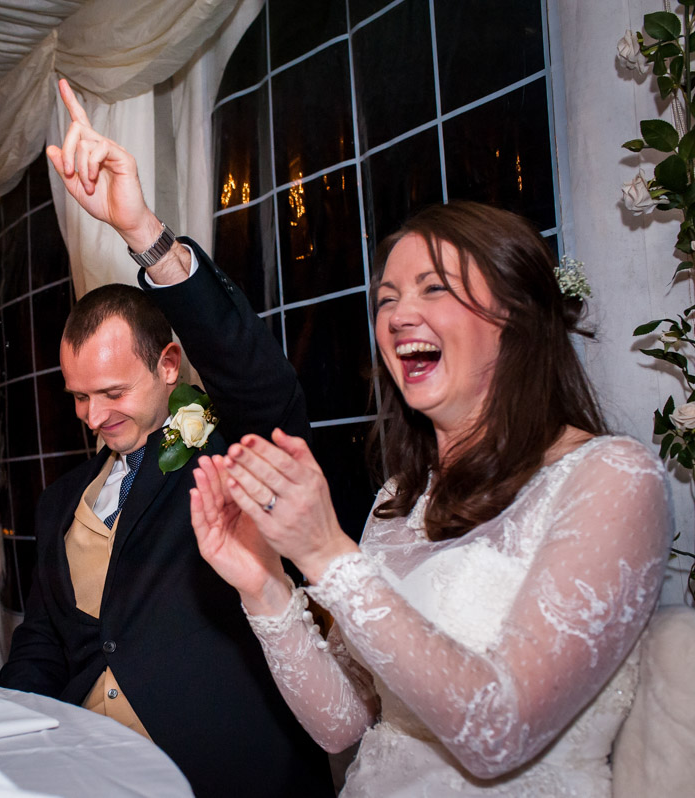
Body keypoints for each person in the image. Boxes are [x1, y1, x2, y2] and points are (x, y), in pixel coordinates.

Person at [189, 200, 672, 797]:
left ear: (516, 314)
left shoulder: (611, 478)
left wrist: (326, 554)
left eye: (433, 288)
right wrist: (261, 584)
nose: (398, 315)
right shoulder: (400, 499)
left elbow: (500, 732)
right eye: (386, 298)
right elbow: (342, 723)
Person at [0, 80, 334, 797]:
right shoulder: (61, 504)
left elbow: (261, 384)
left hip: (221, 772)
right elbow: (43, 639)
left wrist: (143, 232)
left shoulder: (230, 452)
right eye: (79, 397)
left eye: (113, 393)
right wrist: (17, 732)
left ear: (169, 365)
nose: (92, 417)